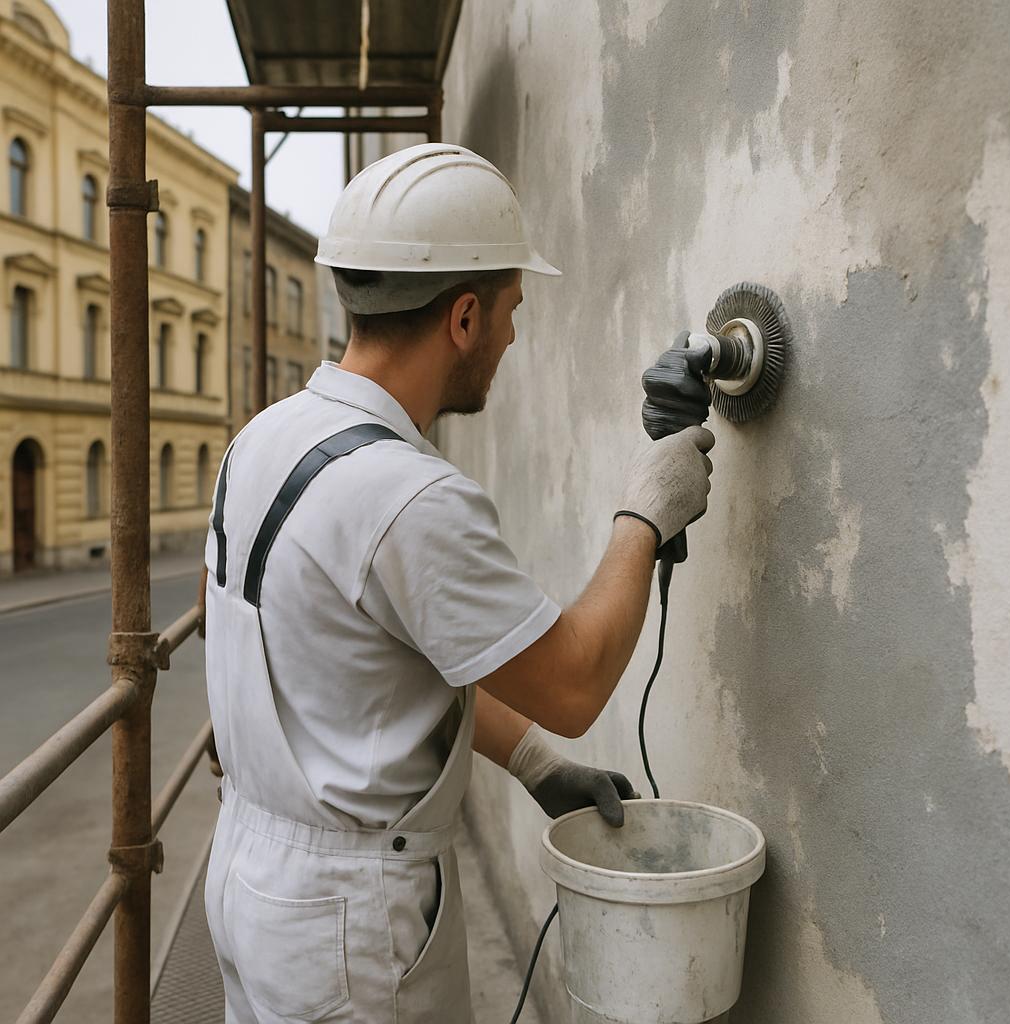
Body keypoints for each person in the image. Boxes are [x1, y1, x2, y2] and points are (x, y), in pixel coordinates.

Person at [202, 143, 714, 1024]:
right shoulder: (410, 496)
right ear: (466, 317)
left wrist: (531, 761)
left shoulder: (265, 438)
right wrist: (645, 513)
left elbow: (378, 668)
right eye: (513, 309)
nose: (515, 335)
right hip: (350, 925)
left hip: (255, 877)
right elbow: (575, 679)